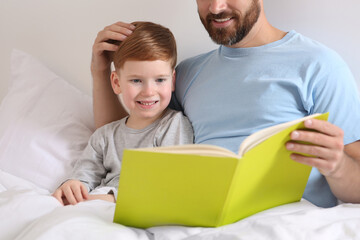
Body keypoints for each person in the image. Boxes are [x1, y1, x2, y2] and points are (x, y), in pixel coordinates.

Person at [90, 0, 360, 208]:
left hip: (287, 218)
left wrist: (337, 167)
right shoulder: (185, 74)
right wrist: (101, 73)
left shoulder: (319, 65)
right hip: (201, 217)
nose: (216, 7)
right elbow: (120, 135)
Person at [52, 21, 194, 205]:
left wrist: (110, 198)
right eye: (136, 80)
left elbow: (169, 184)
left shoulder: (174, 125)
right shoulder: (104, 136)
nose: (149, 91)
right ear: (116, 83)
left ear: (172, 81)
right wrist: (72, 186)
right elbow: (84, 177)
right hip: (98, 205)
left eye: (160, 80)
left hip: (136, 206)